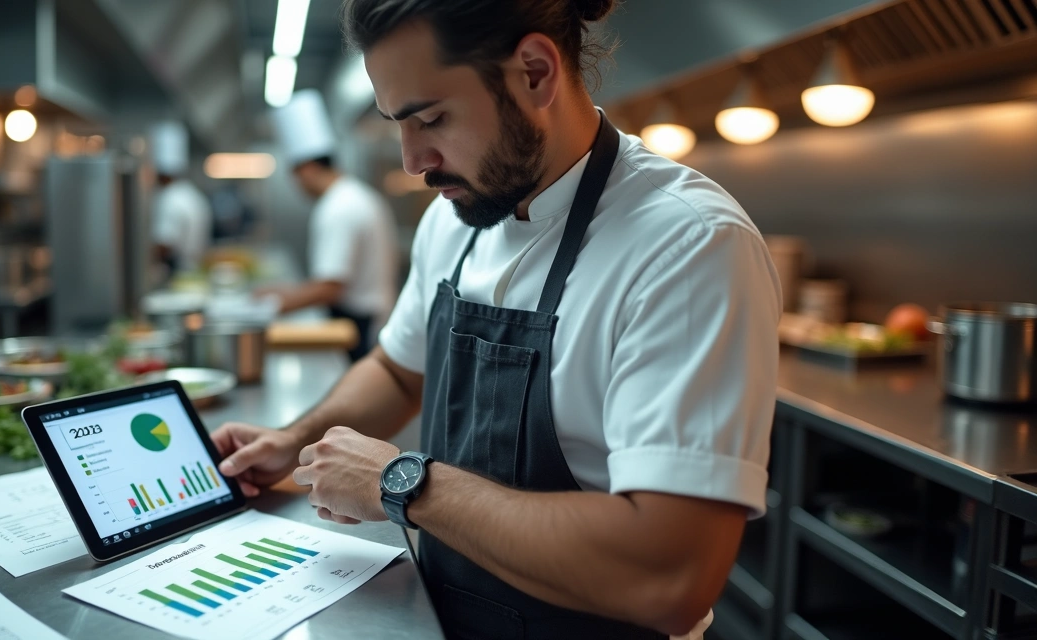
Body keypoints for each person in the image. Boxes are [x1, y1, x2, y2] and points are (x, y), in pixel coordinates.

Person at [211, 1, 781, 638]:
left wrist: (402, 485)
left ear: (535, 72)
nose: (412, 160)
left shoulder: (685, 244)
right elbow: (401, 371)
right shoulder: (456, 219)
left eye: (430, 118)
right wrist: (293, 441)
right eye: (397, 124)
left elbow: (667, 576)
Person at [265, 90, 398, 361]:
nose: (296, 185)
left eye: (295, 175)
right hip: (371, 318)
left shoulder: (338, 207)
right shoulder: (357, 194)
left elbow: (330, 287)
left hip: (358, 327)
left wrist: (269, 307)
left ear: (309, 168)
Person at [150, 121, 211, 277]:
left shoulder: (169, 198)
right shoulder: (191, 193)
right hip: (195, 270)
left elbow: (164, 245)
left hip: (178, 274)